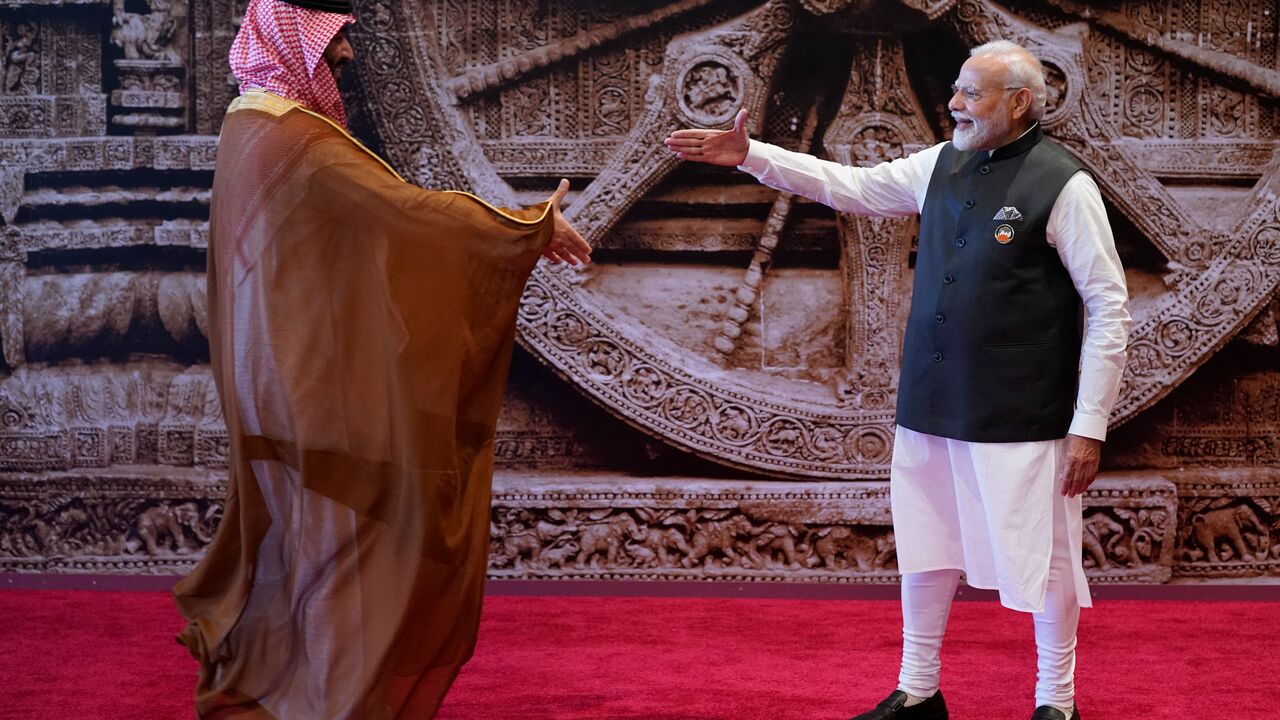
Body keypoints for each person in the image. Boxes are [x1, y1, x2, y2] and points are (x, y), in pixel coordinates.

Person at [665, 40, 1130, 720]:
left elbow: (1108, 306)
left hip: (1024, 410)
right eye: (958, 90)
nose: (955, 103)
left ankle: (1056, 704)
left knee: (1047, 558)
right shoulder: (938, 163)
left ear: (1019, 103)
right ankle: (918, 693)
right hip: (931, 402)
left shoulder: (1065, 184)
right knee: (926, 545)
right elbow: (849, 187)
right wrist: (753, 156)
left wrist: (1090, 425)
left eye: (972, 93)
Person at [172, 1, 591, 717]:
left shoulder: (246, 125)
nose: (346, 57)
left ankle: (308, 698)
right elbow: (407, 215)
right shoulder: (290, 138)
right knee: (352, 554)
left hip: (278, 374)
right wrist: (526, 229)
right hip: (316, 385)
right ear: (291, 42)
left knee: (325, 549)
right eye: (333, 40)